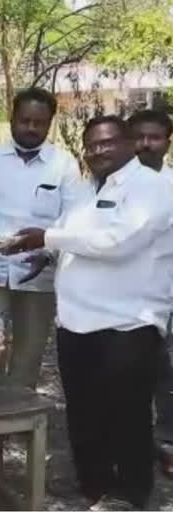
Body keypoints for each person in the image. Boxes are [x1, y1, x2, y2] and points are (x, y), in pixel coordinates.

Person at [10, 115, 173, 510]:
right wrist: (45, 254)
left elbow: (118, 240)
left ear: (129, 143)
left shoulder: (154, 188)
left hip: (127, 323)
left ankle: (130, 493)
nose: (98, 151)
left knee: (127, 414)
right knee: (84, 410)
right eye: (91, 145)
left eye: (107, 142)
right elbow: (70, 231)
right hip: (76, 323)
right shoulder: (87, 189)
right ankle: (93, 485)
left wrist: (46, 236)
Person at [0, 88, 86, 389]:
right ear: (12, 119)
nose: (31, 128)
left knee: (29, 354)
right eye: (24, 120)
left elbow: (72, 218)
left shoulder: (64, 164)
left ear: (49, 123)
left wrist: (48, 252)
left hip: (39, 273)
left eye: (39, 122)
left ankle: (18, 429)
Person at [128, 109, 173, 477]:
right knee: (131, 373)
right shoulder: (115, 185)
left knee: (168, 373)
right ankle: (134, 443)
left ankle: (167, 443)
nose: (146, 144)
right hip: (127, 298)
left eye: (154, 136)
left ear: (167, 142)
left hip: (167, 293)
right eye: (139, 136)